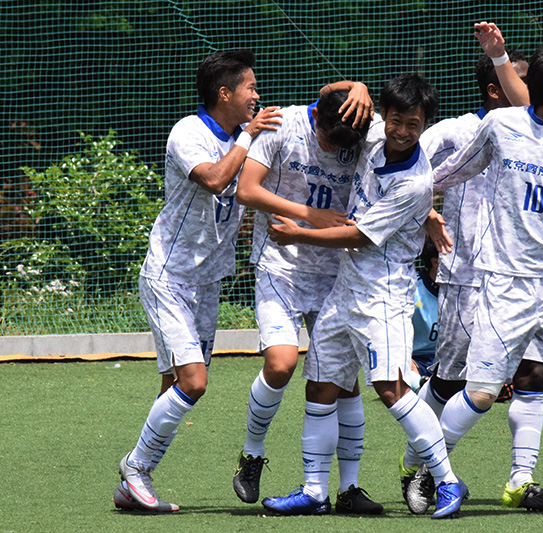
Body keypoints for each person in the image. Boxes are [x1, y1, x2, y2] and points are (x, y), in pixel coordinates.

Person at [261, 73, 469, 520]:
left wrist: (300, 232)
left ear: (424, 125)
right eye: (396, 120)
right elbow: (325, 100)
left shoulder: (414, 182)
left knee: (391, 388)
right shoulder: (372, 130)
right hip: (345, 288)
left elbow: (359, 235)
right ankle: (316, 491)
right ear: (384, 116)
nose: (401, 131)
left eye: (413, 125)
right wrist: (357, 85)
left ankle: (448, 481)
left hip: (384, 293)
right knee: (319, 383)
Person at [431, 40, 543, 517]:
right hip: (504, 283)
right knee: (481, 393)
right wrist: (410, 205)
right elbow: (451, 172)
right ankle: (425, 467)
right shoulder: (501, 126)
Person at [115, 49, 282, 512]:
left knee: (175, 383)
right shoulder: (189, 131)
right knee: (194, 380)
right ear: (224, 93)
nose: (257, 95)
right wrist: (248, 137)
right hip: (170, 276)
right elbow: (213, 178)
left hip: (209, 282)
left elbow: (314, 111)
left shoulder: (247, 136)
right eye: (250, 86)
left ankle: (135, 482)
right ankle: (135, 469)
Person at [401, 48, 543, 514]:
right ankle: (418, 466)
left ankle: (520, 481)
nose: (531, 94)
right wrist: (425, 211)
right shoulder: (456, 131)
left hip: (526, 277)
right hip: (467, 276)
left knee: (531, 371)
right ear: (495, 89)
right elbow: (403, 168)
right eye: (518, 82)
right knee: (451, 382)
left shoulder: (542, 134)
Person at [231, 82, 383, 514]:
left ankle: (349, 488)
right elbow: (247, 190)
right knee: (281, 362)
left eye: (346, 146)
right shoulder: (282, 125)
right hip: (281, 266)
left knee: (343, 382)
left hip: (336, 272)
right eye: (331, 142)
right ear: (318, 118)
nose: (338, 151)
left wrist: (360, 85)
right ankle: (252, 452)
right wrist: (309, 216)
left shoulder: (359, 129)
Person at [409, 235, 440, 390]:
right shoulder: (412, 289)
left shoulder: (468, 290)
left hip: (451, 360)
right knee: (398, 366)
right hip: (416, 361)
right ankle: (422, 385)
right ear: (435, 262)